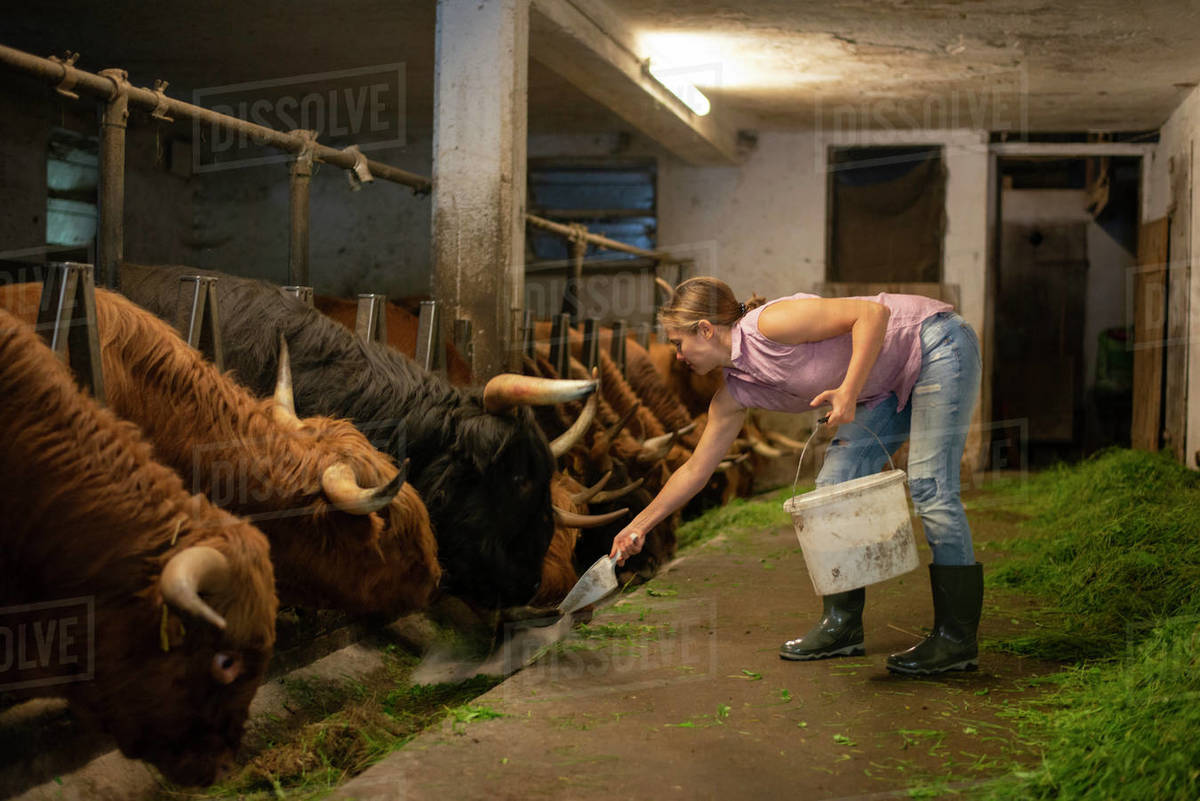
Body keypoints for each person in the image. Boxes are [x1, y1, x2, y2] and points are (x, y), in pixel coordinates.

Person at [609, 277, 983, 675]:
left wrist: (849, 391)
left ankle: (956, 639)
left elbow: (873, 313)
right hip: (886, 382)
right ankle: (842, 626)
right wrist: (638, 526)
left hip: (935, 345)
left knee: (930, 486)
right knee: (833, 487)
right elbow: (695, 470)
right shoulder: (735, 392)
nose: (677, 356)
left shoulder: (770, 323)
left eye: (677, 343)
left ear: (705, 330)